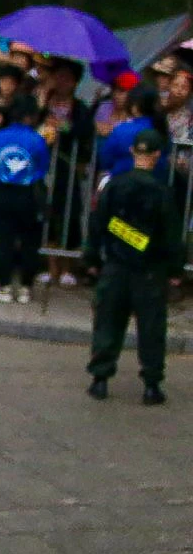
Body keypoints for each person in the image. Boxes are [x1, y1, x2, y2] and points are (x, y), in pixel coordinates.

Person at [87, 126, 178, 404]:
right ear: (157, 155)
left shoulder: (114, 185)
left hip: (116, 266)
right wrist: (174, 271)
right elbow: (171, 235)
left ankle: (100, 379)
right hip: (149, 271)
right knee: (151, 328)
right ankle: (151, 385)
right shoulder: (162, 192)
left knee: (109, 322)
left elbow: (97, 224)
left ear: (132, 152)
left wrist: (91, 258)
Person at [0, 100, 53, 304]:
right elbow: (43, 166)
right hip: (29, 193)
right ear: (30, 117)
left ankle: (3, 286)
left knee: (4, 240)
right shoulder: (37, 139)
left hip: (4, 192)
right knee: (30, 242)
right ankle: (26, 288)